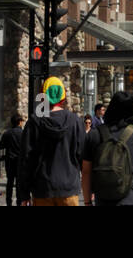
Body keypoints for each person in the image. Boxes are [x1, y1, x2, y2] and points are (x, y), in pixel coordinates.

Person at [81, 90, 133, 206]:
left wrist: (87, 202)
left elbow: (86, 171)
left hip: (104, 198)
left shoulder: (95, 134)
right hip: (132, 198)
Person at [21, 76, 85, 206]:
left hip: (42, 188)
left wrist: (24, 193)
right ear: (62, 96)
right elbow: (82, 155)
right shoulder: (75, 121)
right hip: (69, 187)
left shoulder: (35, 121)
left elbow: (26, 159)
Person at [0, 113, 26, 207]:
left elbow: (1, 146)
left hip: (9, 161)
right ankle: (19, 202)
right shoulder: (23, 133)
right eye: (22, 121)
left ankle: (8, 202)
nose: (22, 123)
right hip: (20, 162)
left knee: (9, 182)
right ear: (19, 122)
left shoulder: (7, 133)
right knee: (19, 183)